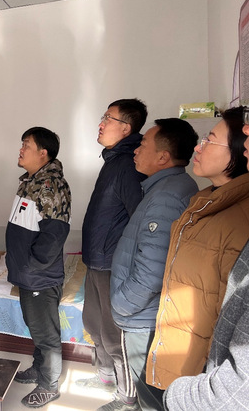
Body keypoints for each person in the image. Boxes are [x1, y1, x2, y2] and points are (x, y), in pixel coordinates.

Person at [140, 107, 249, 410]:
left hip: (197, 375)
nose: (198, 149)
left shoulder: (239, 219)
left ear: (238, 152)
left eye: (209, 140)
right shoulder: (205, 200)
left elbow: (227, 313)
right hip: (175, 349)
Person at [109, 119, 199, 402]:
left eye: (143, 144)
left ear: (163, 157)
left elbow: (152, 270)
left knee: (151, 397)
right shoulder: (168, 187)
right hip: (147, 315)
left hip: (144, 319)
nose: (136, 150)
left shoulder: (167, 196)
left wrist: (123, 304)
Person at [78, 98, 148, 411]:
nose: (101, 123)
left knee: (113, 334)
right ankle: (105, 377)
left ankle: (127, 398)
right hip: (96, 261)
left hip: (112, 265)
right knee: (93, 324)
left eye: (108, 118)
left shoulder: (129, 164)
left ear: (126, 128)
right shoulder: (113, 160)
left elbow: (139, 217)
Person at [5, 127, 71, 408]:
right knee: (36, 327)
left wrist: (30, 267)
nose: (21, 149)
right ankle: (39, 368)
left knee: (46, 334)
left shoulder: (49, 185)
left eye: (27, 145)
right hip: (28, 273)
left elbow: (53, 236)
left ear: (43, 153)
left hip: (39, 277)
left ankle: (49, 385)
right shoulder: (31, 182)